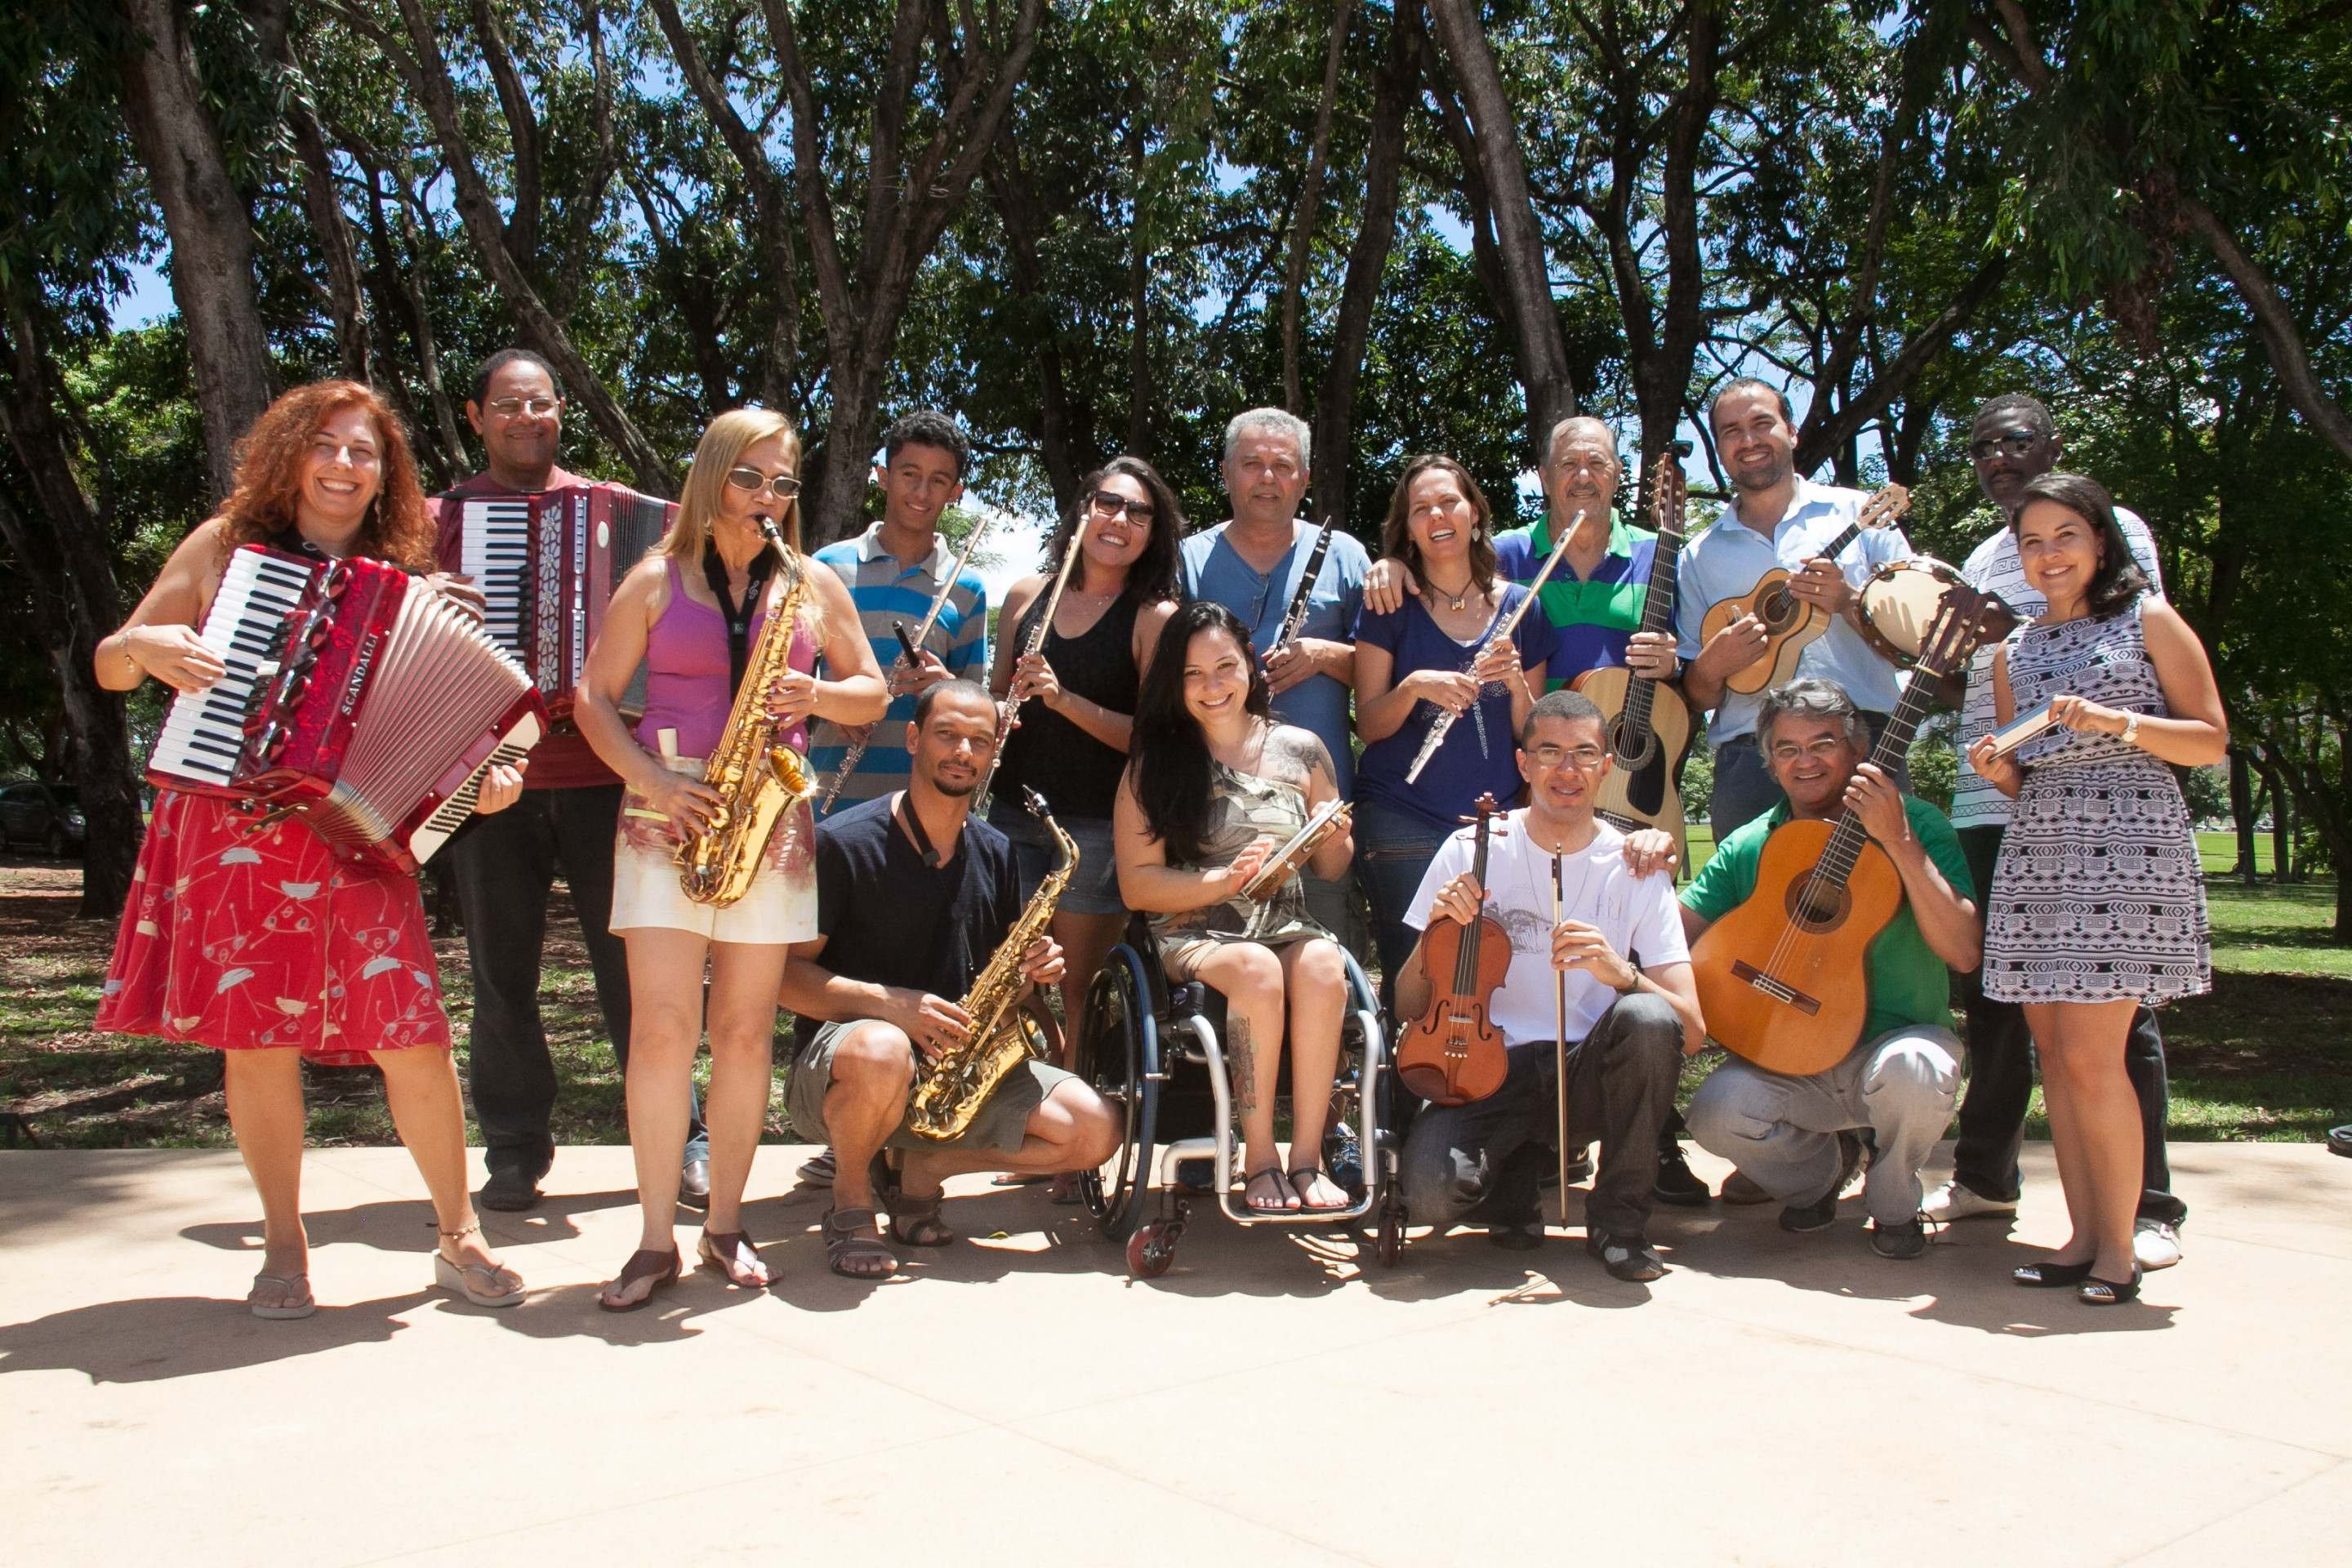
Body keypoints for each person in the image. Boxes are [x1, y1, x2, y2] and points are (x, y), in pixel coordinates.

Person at [93, 380, 528, 1318]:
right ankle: (283, 1245)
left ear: (386, 476)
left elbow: (446, 746)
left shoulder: (408, 585)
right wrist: (146, 645)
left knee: (412, 1034)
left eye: (363, 452)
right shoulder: (224, 548)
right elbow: (113, 659)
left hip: (351, 838)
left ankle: (459, 1237)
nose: (342, 464)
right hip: (233, 823)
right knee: (258, 1042)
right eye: (325, 445)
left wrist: (482, 789)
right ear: (290, 453)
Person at [574, 408, 887, 1310]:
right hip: (666, 807)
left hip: (770, 820)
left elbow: (866, 694)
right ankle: (651, 1238)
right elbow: (593, 699)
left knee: (746, 1034)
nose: (767, 498)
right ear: (710, 478)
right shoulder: (653, 579)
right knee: (663, 1032)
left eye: (783, 483)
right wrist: (650, 781)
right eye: (750, 478)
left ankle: (724, 1224)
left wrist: (816, 689)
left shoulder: (811, 585)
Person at [1365, 417, 1706, 1203]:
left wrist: (1518, 677)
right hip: (1441, 813)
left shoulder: (1639, 563)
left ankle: (1633, 1156)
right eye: (1567, 463)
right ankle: (1459, 1129)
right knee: (1445, 979)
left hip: (1566, 788)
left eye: (1598, 462)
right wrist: (1419, 676)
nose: (1582, 475)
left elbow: (1535, 724)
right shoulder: (1506, 556)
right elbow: (1377, 706)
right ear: (1543, 476)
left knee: (1626, 991)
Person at [430, 348, 699, 1214]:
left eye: (540, 403)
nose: (525, 419)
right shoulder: (439, 518)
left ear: (559, 413)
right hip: (489, 778)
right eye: (506, 405)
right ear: (476, 417)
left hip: (610, 776)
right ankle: (513, 1151)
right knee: (500, 973)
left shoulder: (623, 514)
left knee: (638, 969)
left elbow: (688, 609)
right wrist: (425, 593)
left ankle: (679, 1140)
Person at [1931, 395, 2189, 1272]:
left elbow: (2182, 710)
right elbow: (1988, 715)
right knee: (2027, 1026)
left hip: (2117, 827)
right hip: (2014, 816)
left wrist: (2108, 721)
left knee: (2111, 1034)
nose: (1997, 455)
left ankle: (2142, 1217)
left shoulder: (2130, 573)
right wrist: (1996, 764)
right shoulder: (1988, 580)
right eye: (1982, 446)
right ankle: (2037, 1206)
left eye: (2015, 439)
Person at [1968, 474, 2224, 1306]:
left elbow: (2210, 739)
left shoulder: (2146, 619)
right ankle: (2082, 1238)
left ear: (2101, 541)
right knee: (2055, 1058)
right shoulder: (2012, 653)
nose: (2048, 555)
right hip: (2042, 850)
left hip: (2128, 848)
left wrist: (2119, 722)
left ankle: (2121, 1252)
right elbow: (2025, 780)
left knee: (2094, 1056)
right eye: (2032, 542)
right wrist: (1999, 765)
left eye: (2065, 536)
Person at [780, 680, 1126, 1280]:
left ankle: (920, 1172)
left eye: (978, 741)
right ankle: (852, 1199)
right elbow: (784, 979)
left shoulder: (994, 850)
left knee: (1095, 1129)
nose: (962, 751)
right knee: (884, 1047)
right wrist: (893, 1007)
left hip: (953, 1069)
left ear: (993, 753)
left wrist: (1028, 975)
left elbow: (997, 991)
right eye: (947, 734)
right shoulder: (843, 842)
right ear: (914, 738)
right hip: (853, 1066)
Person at [1395, 691, 1699, 1278]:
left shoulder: (1635, 867)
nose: (1567, 770)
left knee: (1648, 1017)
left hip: (1585, 1074)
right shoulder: (1470, 849)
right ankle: (1518, 1169)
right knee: (1431, 1198)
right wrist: (1436, 930)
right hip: (1485, 1070)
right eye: (1550, 752)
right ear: (1523, 764)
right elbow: (1408, 1004)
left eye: (1585, 754)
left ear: (1607, 768)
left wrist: (1624, 974)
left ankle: (1619, 1222)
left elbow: (1690, 1029)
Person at [1682, 679, 1978, 1259]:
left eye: (1823, 744)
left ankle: (1894, 1199)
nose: (1806, 761)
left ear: (1858, 750)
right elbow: (1673, 933)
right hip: (1791, 1062)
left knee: (1916, 1070)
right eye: (1787, 749)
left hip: (1894, 1048)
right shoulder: (1751, 842)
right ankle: (1818, 1179)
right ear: (1769, 763)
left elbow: (1965, 952)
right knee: (1715, 1112)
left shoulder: (1919, 823)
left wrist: (1898, 841)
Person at [1113, 602, 1358, 1214]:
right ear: (1175, 683)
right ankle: (1259, 1158)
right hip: (1194, 930)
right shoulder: (1153, 766)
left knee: (1325, 964)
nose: (1213, 685)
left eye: (1225, 666)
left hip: (1285, 921)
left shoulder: (1304, 751)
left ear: (1250, 664)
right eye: (1193, 674)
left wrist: (1333, 840)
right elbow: (1138, 887)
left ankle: (1306, 1157)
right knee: (1255, 969)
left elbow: (1333, 867)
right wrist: (1222, 881)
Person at [1351, 455, 1557, 1014]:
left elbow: (1531, 736)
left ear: (1474, 513)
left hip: (1492, 822)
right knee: (1418, 975)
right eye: (1421, 509)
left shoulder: (1521, 607)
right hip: (1403, 814)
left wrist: (1516, 684)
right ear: (1407, 526)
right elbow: (1369, 724)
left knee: (1494, 972)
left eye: (1449, 502)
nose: (1437, 516)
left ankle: (1482, 1090)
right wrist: (1414, 686)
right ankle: (1407, 1096)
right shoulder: (1388, 603)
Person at [988, 457, 1182, 1033]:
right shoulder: (1027, 595)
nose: (1120, 519)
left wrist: (1064, 699)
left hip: (1100, 824)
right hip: (1010, 812)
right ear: (1081, 513)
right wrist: (988, 713)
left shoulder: (1155, 618)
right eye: (1108, 503)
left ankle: (1075, 1105)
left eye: (1138, 512)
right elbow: (999, 695)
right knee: (1009, 976)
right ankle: (1024, 1102)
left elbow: (1154, 740)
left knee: (1076, 989)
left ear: (1153, 533)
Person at [1676, 379, 1914, 839]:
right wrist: (1712, 666)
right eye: (1731, 431)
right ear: (1719, 450)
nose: (1748, 441)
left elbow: (1918, 642)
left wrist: (1849, 603)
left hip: (1862, 741)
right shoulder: (1698, 556)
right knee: (1748, 908)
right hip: (1750, 760)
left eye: (1762, 423)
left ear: (1792, 430)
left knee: (1882, 899)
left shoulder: (1859, 514)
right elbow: (1698, 695)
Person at [1179, 408, 1370, 942]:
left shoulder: (1347, 556)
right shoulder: (1188, 561)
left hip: (1316, 820)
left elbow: (1384, 682)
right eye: (1252, 464)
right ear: (1225, 473)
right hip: (1212, 818)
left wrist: (1323, 656)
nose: (1268, 478)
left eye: (1283, 465)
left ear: (1305, 479)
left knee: (1320, 967)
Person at [807, 409, 988, 818]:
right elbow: (790, 679)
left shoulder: (968, 589)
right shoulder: (827, 567)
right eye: (909, 474)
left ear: (955, 492)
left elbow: (978, 707)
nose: (922, 493)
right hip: (824, 803)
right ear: (883, 475)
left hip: (922, 812)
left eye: (938, 480)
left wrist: (945, 687)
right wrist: (833, 704)